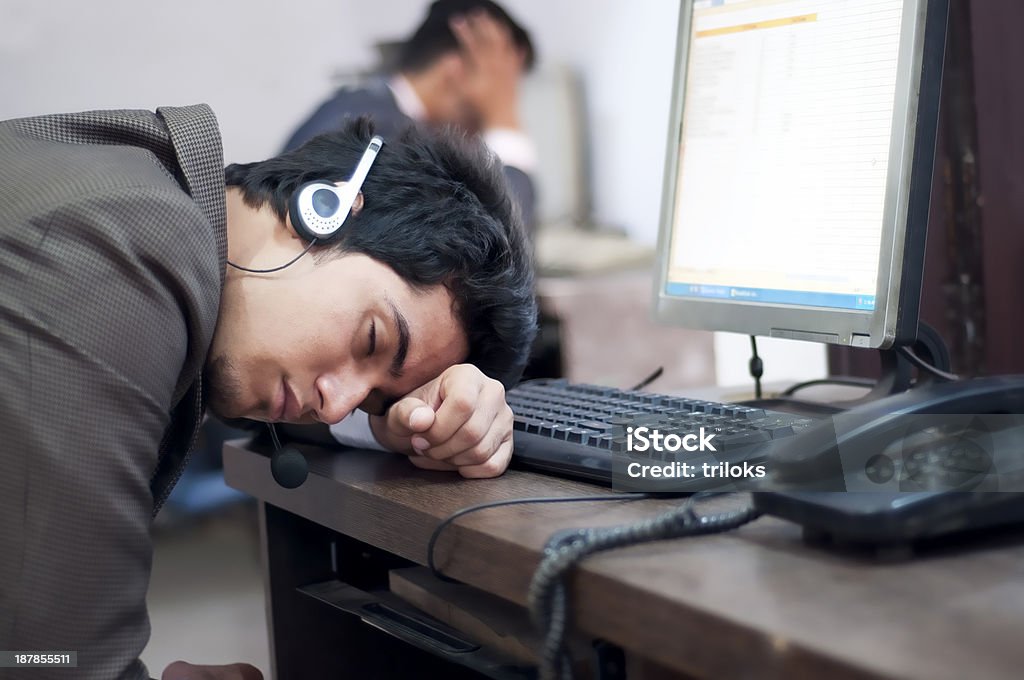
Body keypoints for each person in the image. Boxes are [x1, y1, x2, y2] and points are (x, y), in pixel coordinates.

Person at [0, 105, 536, 680]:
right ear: (322, 209)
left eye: (371, 398)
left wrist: (398, 423)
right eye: (372, 339)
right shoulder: (129, 254)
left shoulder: (137, 198)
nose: (337, 404)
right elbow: (52, 660)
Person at [283, 0, 539, 234]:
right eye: (504, 84)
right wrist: (503, 117)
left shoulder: (365, 111)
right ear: (458, 70)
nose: (507, 96)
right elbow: (497, 251)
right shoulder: (378, 135)